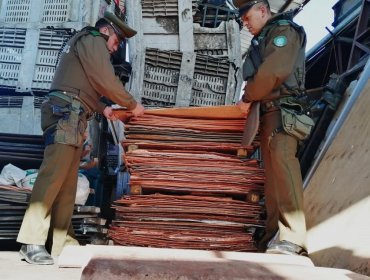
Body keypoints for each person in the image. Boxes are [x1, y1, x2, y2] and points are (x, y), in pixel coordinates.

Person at [17, 11, 144, 265]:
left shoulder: (85, 44)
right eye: (116, 43)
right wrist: (131, 104)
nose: (114, 49)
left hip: (73, 115)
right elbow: (105, 80)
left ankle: (62, 243)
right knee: (53, 176)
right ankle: (32, 241)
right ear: (106, 31)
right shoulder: (93, 40)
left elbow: (83, 87)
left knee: (66, 185)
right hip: (66, 114)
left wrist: (104, 109)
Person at [234, 0, 308, 256]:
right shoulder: (266, 36)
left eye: (248, 17)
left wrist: (247, 96)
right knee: (273, 182)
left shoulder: (284, 32)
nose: (246, 22)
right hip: (268, 113)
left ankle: (293, 238)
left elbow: (274, 71)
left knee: (285, 172)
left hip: (283, 112)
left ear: (263, 11)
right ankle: (272, 238)